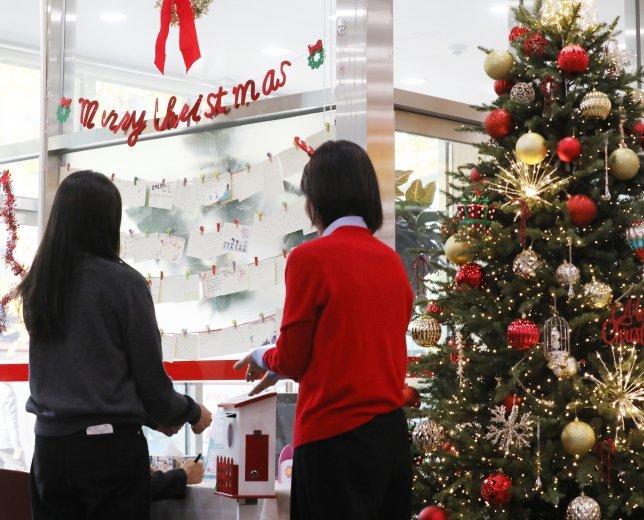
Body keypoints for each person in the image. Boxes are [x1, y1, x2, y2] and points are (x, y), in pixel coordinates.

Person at [234, 140, 414, 520]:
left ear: (317, 198)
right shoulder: (391, 263)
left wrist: (259, 355)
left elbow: (292, 357)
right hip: (390, 441)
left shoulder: (309, 259)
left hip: (333, 439)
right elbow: (357, 348)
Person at [19, 170, 212, 520]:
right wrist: (192, 413)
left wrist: (158, 417)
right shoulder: (123, 284)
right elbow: (153, 387)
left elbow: (82, 376)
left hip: (49, 450)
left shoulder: (40, 284)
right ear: (109, 222)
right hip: (107, 456)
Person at [0, 382, 24, 470]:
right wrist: (16, 445)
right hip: (5, 443)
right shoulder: (6, 390)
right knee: (19, 473)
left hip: (4, 443)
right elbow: (11, 420)